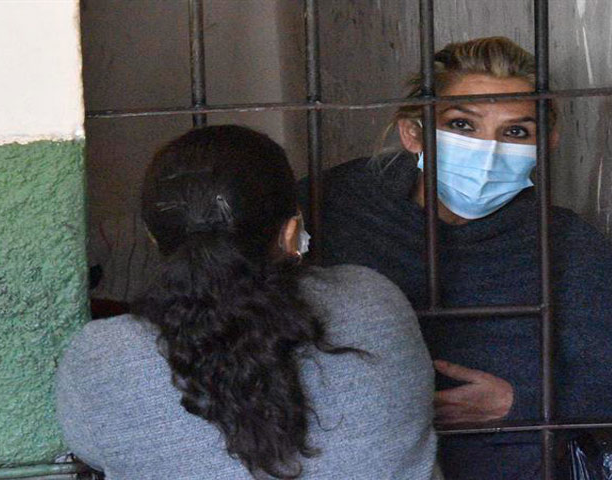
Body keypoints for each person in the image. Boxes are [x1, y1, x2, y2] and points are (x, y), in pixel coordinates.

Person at [301, 37, 612, 479]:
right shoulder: (338, 206)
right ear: (413, 133)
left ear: (545, 142)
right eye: (463, 125)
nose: (488, 152)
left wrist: (521, 402)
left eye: (515, 132)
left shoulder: (567, 247)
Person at [55, 125, 440, 480]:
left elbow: (92, 450)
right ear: (290, 233)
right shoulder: (375, 299)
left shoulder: (102, 356)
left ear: (153, 239)